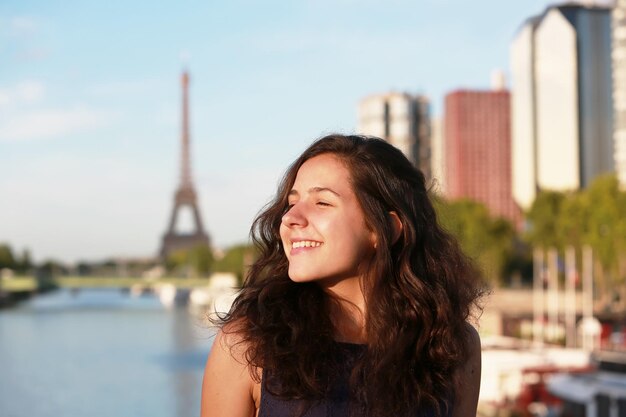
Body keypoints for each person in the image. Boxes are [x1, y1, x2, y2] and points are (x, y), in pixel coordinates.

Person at [201, 134, 485, 417]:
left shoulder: (454, 348)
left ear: (384, 228)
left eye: (322, 203)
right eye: (292, 202)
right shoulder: (246, 345)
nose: (289, 218)